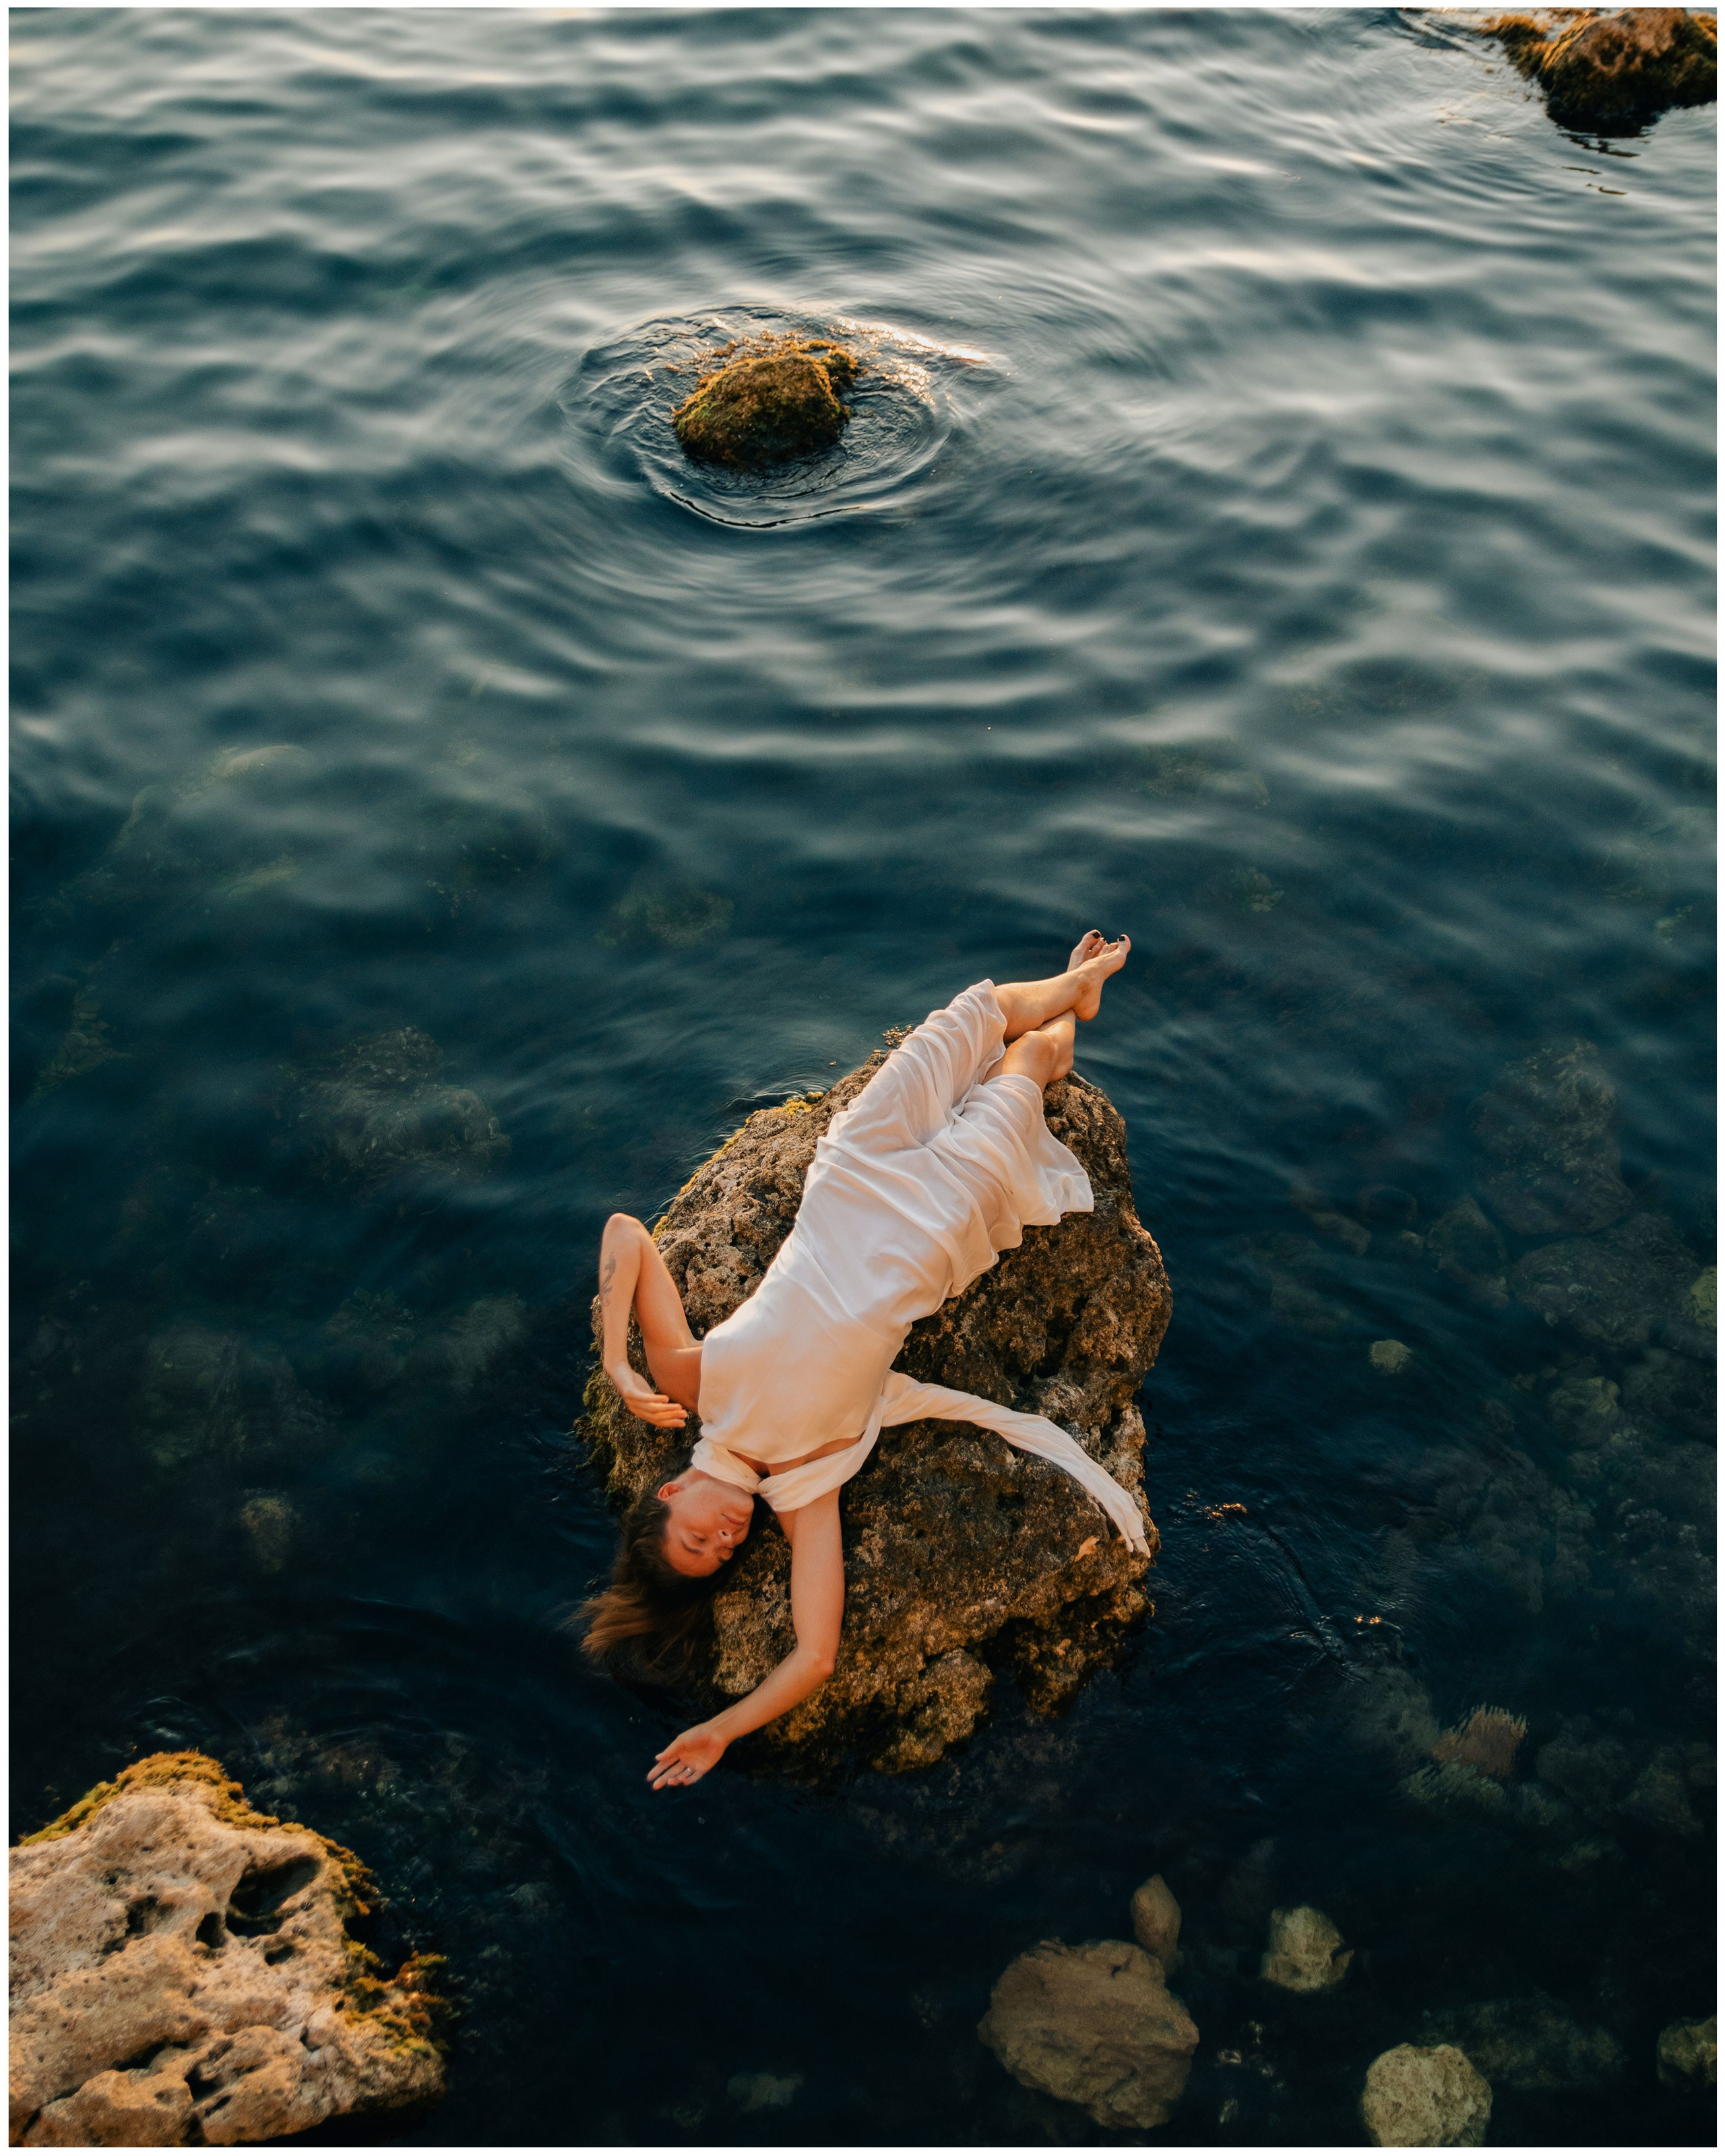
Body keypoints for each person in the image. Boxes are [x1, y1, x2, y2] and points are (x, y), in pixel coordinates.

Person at [580, 932, 1146, 1789]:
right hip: (940, 1221)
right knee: (1029, 1058)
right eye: (725, 1552)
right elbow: (814, 1654)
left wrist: (621, 1367)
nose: (727, 1535)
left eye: (698, 1534)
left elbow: (625, 1235)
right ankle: (1077, 1007)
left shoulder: (691, 1385)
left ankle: (1074, 979)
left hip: (854, 1168)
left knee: (979, 1012)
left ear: (670, 1491)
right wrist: (720, 1731)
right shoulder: (808, 1485)